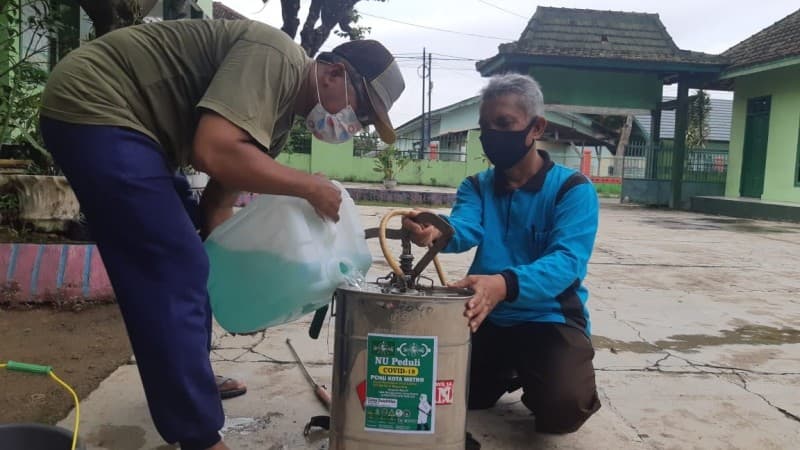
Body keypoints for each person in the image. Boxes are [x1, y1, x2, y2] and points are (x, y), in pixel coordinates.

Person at [39, 18, 404, 450]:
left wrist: (242, 283)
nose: (354, 126)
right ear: (332, 73)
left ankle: (190, 376)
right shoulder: (278, 56)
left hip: (140, 135)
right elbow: (213, 149)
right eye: (360, 112)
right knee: (172, 267)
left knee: (189, 255)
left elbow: (217, 206)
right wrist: (307, 186)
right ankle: (198, 436)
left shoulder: (279, 122)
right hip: (97, 106)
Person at [403, 73, 600, 434]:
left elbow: (567, 262)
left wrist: (503, 284)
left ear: (536, 127)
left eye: (504, 123)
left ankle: (539, 371)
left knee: (562, 411)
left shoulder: (572, 189)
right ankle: (507, 369)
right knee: (460, 396)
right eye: (485, 126)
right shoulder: (476, 185)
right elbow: (464, 228)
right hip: (486, 316)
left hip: (548, 318)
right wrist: (433, 231)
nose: (492, 134)